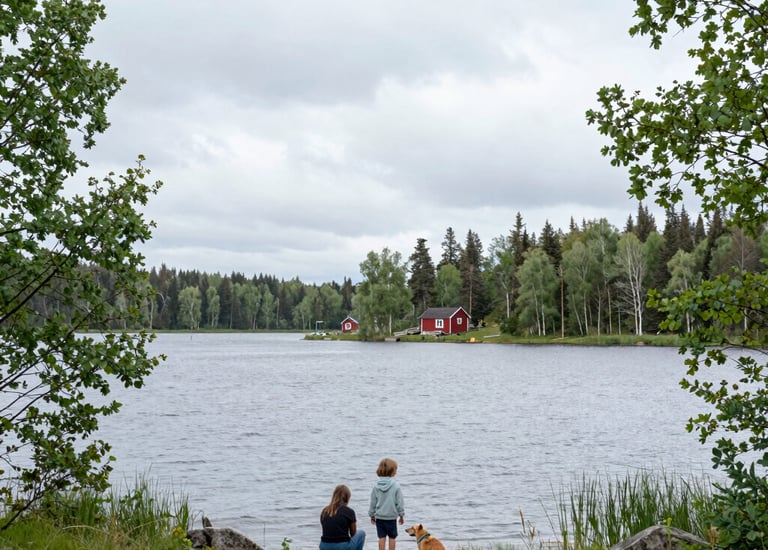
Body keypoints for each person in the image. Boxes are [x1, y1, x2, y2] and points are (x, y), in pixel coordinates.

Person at [369, 458, 405, 550]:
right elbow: (399, 502)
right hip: (391, 517)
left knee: (381, 537)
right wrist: (401, 515)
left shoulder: (375, 485)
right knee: (392, 537)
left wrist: (372, 515)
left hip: (380, 517)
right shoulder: (396, 485)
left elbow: (373, 502)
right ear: (393, 471)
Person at [320, 484, 366, 550]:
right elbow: (353, 534)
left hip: (324, 546)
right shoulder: (349, 511)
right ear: (347, 497)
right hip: (342, 546)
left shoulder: (324, 511)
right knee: (361, 533)